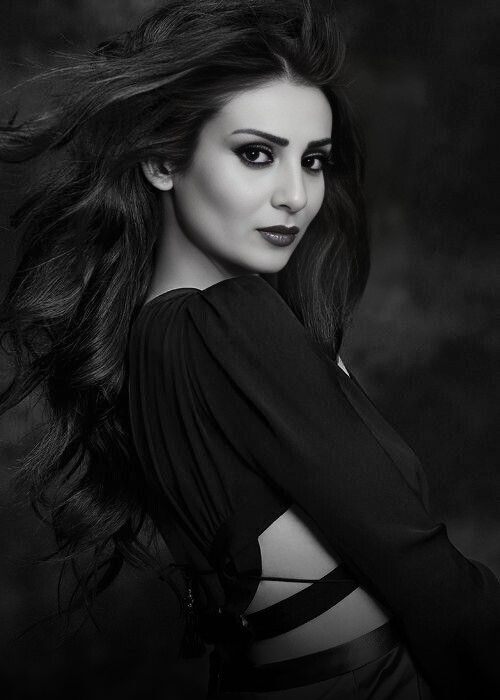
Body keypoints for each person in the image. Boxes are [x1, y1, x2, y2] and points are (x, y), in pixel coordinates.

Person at [0, 1, 498, 698]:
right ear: (163, 161)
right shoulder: (228, 324)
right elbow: (419, 566)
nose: (296, 195)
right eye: (256, 154)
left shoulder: (144, 341)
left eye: (314, 160)